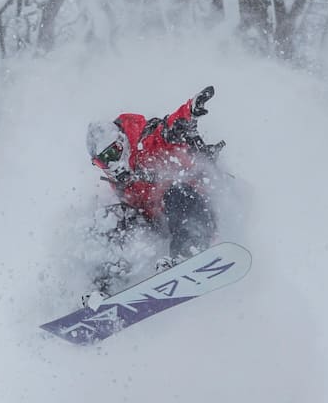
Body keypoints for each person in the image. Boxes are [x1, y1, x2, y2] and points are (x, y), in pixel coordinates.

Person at [84, 85, 225, 300]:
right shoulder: (117, 178)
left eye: (114, 152)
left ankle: (186, 255)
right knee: (111, 218)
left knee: (175, 192)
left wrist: (189, 112)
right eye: (103, 160)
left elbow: (168, 129)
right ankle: (105, 288)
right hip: (159, 223)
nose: (112, 161)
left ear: (122, 141)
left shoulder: (144, 142)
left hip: (197, 212)